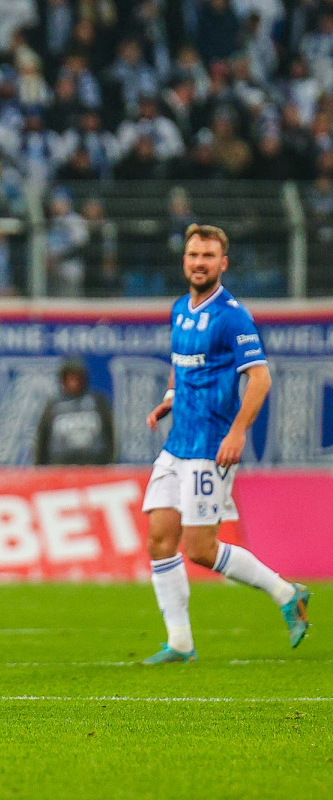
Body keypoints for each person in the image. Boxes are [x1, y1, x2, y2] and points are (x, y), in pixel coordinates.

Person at [140, 224, 309, 664]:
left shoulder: (233, 316)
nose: (200, 263)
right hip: (177, 445)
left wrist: (237, 432)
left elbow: (260, 378)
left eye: (208, 257)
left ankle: (286, 593)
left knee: (200, 549)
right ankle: (180, 642)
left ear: (223, 264)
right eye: (194, 255)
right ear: (185, 261)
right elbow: (182, 363)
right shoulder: (180, 308)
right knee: (159, 540)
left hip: (210, 447)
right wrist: (170, 398)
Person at [34, 358, 115, 466]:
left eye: (77, 378)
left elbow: (110, 433)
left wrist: (111, 461)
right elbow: (43, 437)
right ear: (63, 380)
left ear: (83, 379)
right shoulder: (53, 405)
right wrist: (39, 465)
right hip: (60, 467)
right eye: (70, 378)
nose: (74, 382)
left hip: (94, 465)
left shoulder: (97, 402)